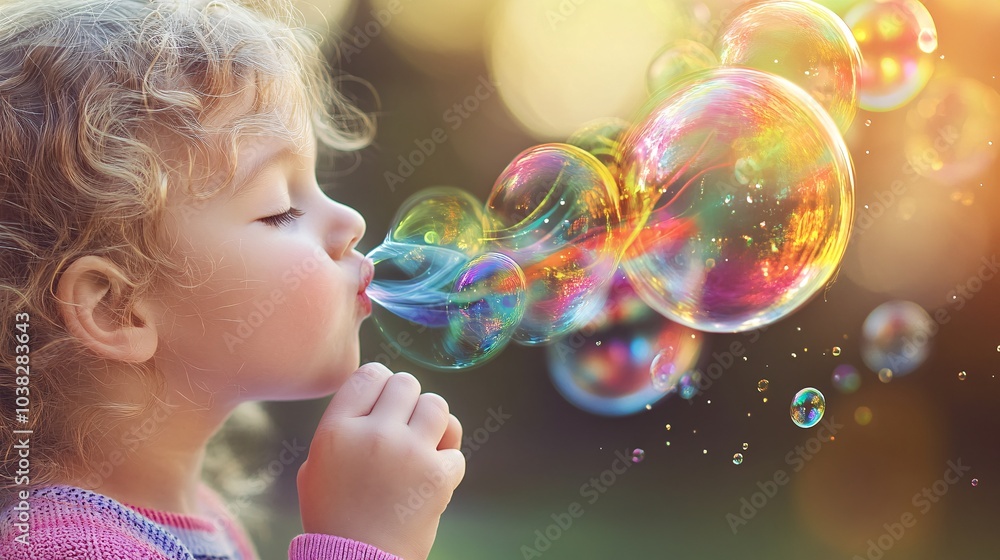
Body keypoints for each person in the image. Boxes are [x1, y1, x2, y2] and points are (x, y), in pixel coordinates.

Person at [0, 1, 465, 559]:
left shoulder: (203, 517)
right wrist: (361, 541)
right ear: (115, 308)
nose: (351, 222)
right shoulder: (62, 549)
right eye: (281, 209)